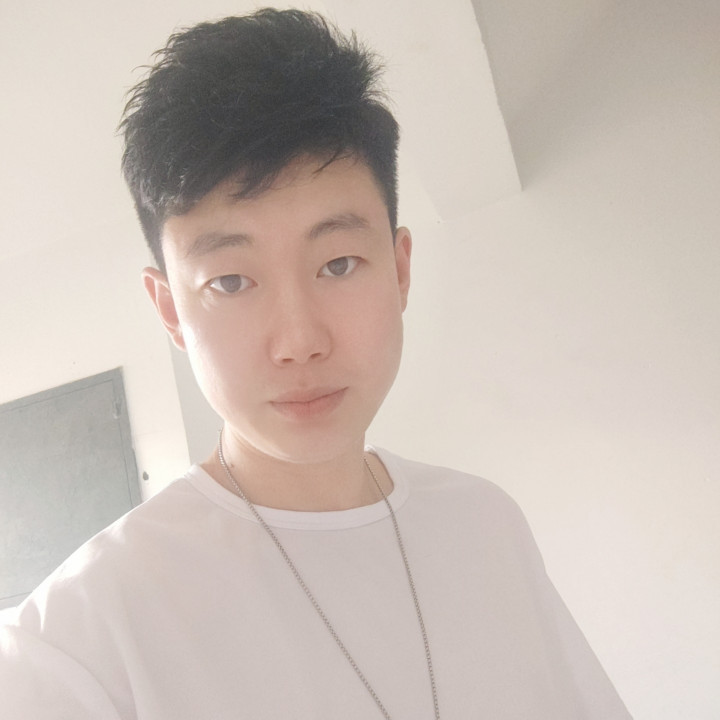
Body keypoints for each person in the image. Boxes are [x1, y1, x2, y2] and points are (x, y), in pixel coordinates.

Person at [0, 8, 632, 719]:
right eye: (230, 281)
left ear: (399, 271)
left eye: (338, 263)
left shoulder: (485, 527)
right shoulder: (77, 646)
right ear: (171, 310)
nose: (298, 340)